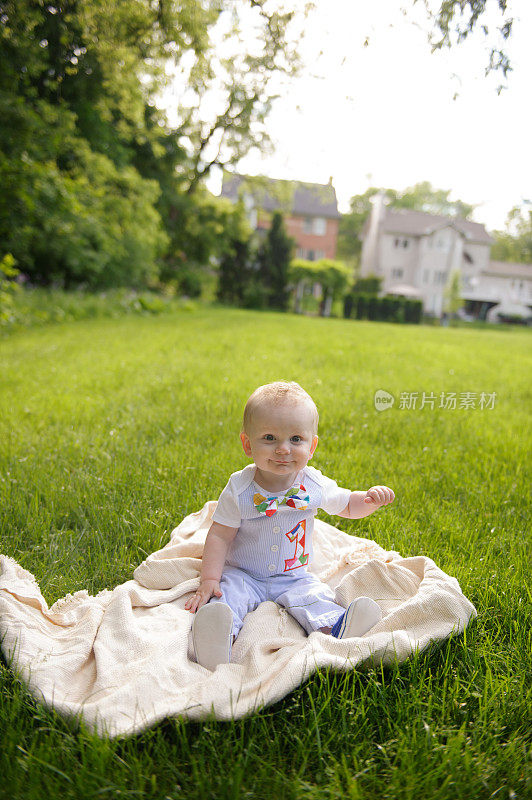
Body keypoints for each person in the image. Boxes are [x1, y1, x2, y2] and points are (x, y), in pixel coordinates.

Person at [185, 381, 395, 671]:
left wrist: (368, 500)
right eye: (269, 438)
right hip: (244, 572)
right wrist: (209, 579)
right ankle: (215, 639)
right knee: (227, 596)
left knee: (315, 597)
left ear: (312, 446)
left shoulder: (313, 484)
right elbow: (220, 535)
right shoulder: (240, 489)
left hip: (293, 574)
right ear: (248, 444)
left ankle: (337, 628)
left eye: (296, 439)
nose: (283, 449)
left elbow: (347, 504)